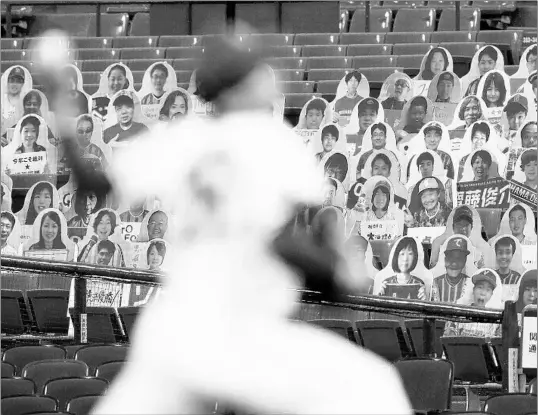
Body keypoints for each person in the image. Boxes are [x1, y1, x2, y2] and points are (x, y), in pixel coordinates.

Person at [93, 34, 412, 415]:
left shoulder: (183, 137)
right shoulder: (268, 141)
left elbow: (93, 182)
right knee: (375, 389)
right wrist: (339, 270)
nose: (270, 78)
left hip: (170, 331)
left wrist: (62, 103)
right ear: (239, 86)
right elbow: (281, 239)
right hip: (232, 332)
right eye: (258, 72)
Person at [443, 269, 502, 337]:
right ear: (473, 289)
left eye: (488, 290)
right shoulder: (459, 313)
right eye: (480, 287)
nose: (483, 293)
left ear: (491, 294)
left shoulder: (495, 321)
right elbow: (449, 339)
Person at [431, 236, 471, 303]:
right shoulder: (436, 283)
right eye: (451, 258)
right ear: (445, 259)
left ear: (465, 261)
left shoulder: (470, 283)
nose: (454, 264)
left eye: (459, 258)